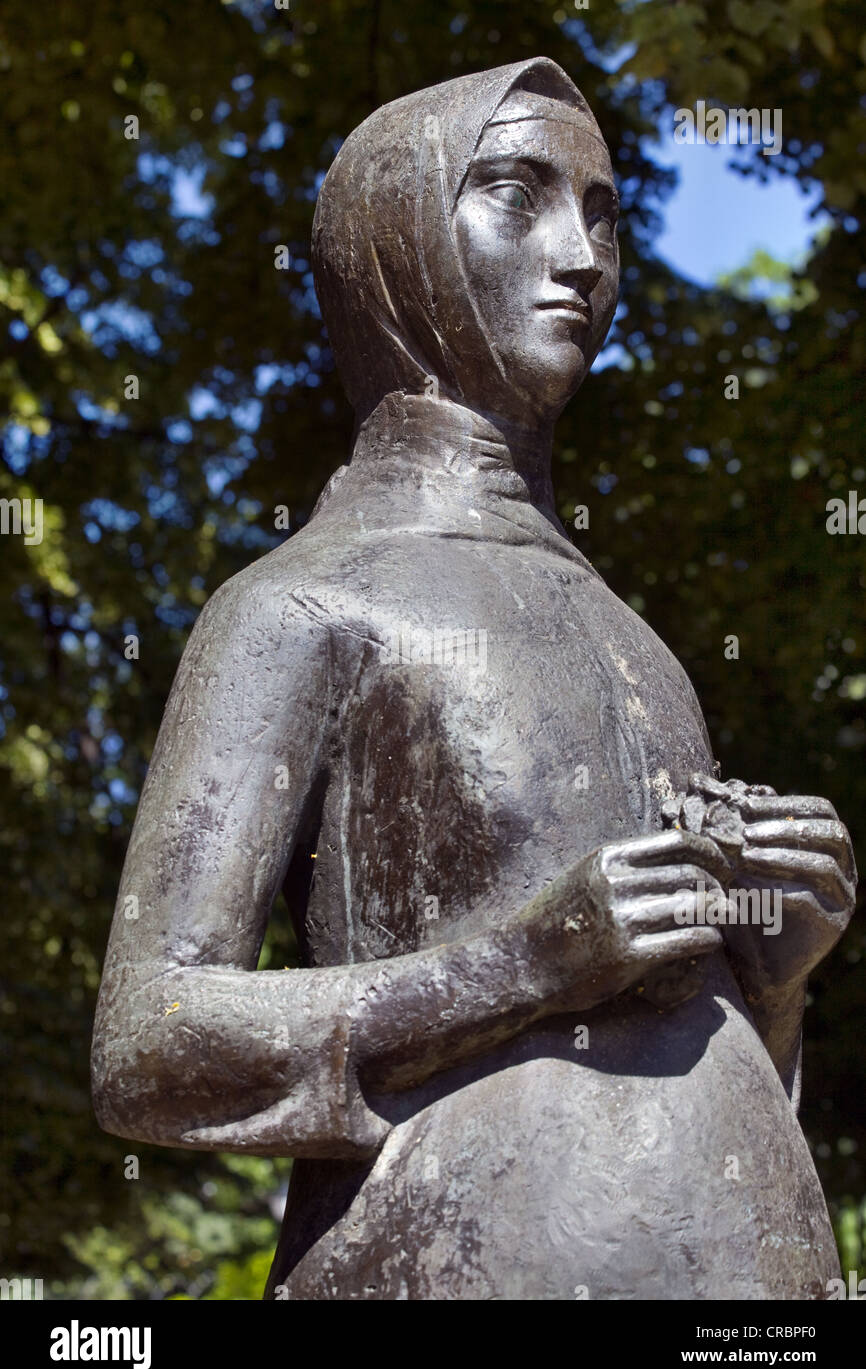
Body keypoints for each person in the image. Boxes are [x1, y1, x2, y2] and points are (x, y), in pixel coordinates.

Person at [92, 58, 856, 1300]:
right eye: (515, 194)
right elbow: (146, 1045)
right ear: (393, 243)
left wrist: (774, 977)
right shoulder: (303, 603)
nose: (582, 256)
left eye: (603, 213)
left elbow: (704, 1067)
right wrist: (520, 965)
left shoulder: (635, 640)